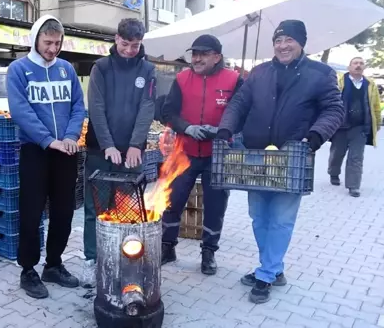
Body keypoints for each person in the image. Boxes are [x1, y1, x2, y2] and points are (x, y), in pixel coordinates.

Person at [217, 20, 344, 303]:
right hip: (255, 158)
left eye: (289, 40)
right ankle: (274, 268)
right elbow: (239, 103)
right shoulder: (260, 72)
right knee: (259, 217)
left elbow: (334, 109)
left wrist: (314, 137)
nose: (282, 45)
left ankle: (265, 274)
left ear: (301, 42)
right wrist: (226, 127)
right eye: (278, 40)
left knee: (281, 219)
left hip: (292, 158)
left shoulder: (320, 74)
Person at [7, 15, 86, 299]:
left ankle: (53, 264)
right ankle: (28, 269)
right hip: (35, 151)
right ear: (35, 39)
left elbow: (79, 106)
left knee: (64, 211)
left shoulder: (66, 70)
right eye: (48, 42)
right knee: (31, 212)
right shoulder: (18, 70)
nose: (53, 48)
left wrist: (70, 137)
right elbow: (20, 111)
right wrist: (48, 140)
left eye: (58, 42)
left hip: (65, 152)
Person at [81, 18, 156, 288]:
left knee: (128, 209)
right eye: (125, 44)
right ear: (116, 39)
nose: (129, 50)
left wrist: (136, 145)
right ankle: (92, 260)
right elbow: (96, 108)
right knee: (96, 208)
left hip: (132, 154)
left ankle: (127, 259)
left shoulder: (148, 70)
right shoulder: (100, 68)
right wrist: (108, 145)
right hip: (100, 150)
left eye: (135, 46)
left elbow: (147, 107)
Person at [159, 34, 244, 275]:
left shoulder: (234, 80)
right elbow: (168, 112)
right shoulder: (182, 78)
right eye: (194, 54)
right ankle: (167, 247)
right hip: (184, 152)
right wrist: (187, 127)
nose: (196, 58)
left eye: (203, 54)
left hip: (217, 153)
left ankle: (208, 253)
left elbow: (242, 114)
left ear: (217, 56)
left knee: (215, 205)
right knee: (172, 201)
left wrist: (222, 130)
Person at [328, 57, 381, 197]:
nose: (358, 65)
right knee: (337, 154)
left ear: (364, 67)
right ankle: (333, 173)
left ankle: (353, 186)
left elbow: (375, 105)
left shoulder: (370, 84)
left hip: (360, 127)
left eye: (361, 63)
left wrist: (377, 122)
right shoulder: (339, 81)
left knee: (356, 158)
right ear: (349, 67)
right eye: (355, 63)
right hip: (340, 126)